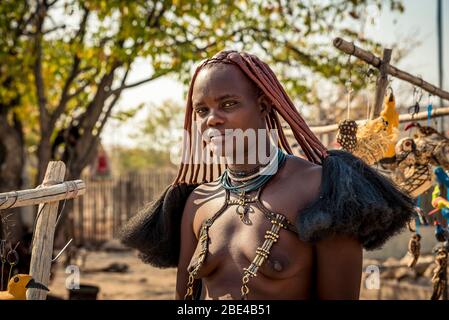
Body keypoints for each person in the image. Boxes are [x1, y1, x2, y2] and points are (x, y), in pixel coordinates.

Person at [120, 50, 415, 300]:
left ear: (262, 105)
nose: (212, 119)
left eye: (228, 104)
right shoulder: (198, 202)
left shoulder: (320, 189)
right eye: (201, 110)